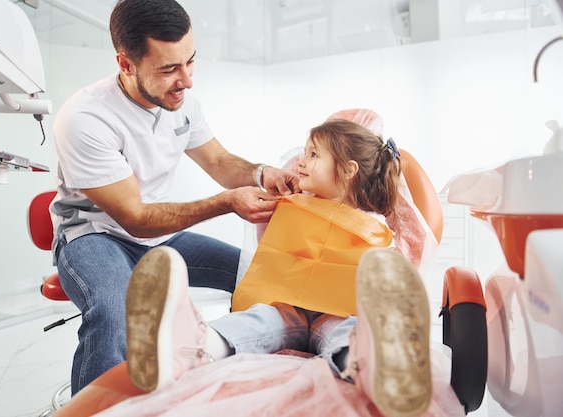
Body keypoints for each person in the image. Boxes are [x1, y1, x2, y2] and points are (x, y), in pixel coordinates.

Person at [50, 0, 300, 395]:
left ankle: (233, 375)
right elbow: (134, 217)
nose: (186, 79)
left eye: (190, 62)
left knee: (256, 277)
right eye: (169, 69)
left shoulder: (181, 102)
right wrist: (226, 202)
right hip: (95, 237)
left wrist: (262, 173)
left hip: (157, 238)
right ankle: (95, 407)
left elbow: (218, 160)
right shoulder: (86, 118)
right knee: (117, 311)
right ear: (126, 64)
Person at [125, 119, 433, 417]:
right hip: (289, 309)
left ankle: (370, 362)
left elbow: (381, 274)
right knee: (259, 320)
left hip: (338, 313)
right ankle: (197, 344)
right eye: (304, 151)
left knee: (349, 331)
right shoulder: (293, 205)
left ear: (348, 170)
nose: (301, 160)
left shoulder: (374, 225)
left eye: (314, 155)